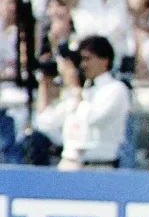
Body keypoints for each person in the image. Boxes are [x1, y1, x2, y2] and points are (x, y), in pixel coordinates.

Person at [35, 36, 131, 171]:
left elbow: (92, 118)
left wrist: (74, 88)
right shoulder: (81, 92)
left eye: (87, 59)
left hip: (99, 166)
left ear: (104, 60)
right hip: (69, 164)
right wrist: (44, 83)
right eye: (81, 60)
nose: (83, 65)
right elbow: (45, 122)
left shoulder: (115, 89)